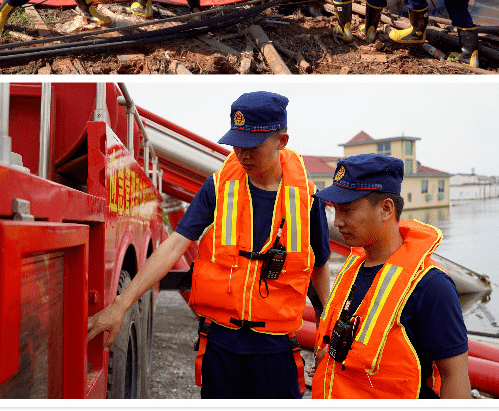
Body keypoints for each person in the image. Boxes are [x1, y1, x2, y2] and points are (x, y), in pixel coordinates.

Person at [87, 91, 331, 399]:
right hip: (220, 347)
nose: (242, 154)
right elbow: (174, 245)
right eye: (236, 144)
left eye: (252, 145)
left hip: (276, 351)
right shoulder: (219, 188)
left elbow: (320, 269)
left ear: (281, 141)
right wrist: (121, 304)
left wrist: (327, 338)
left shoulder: (308, 201)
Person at [310, 154, 471, 400]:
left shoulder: (431, 287)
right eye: (335, 211)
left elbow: (454, 376)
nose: (338, 222)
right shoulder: (353, 271)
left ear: (386, 209)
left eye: (347, 211)